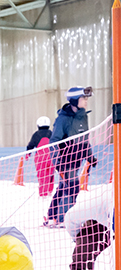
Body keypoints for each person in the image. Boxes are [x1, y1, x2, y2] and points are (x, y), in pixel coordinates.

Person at [45, 86, 96, 227]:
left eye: (86, 99)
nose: (86, 101)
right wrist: (57, 161)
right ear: (74, 100)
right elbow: (54, 141)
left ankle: (52, 216)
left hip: (77, 159)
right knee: (73, 187)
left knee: (64, 187)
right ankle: (63, 219)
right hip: (64, 160)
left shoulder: (83, 116)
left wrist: (90, 157)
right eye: (83, 99)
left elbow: (84, 139)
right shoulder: (62, 119)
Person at [60, 187, 112, 270]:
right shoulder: (94, 204)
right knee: (84, 246)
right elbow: (71, 220)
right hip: (103, 222)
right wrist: (78, 241)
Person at [26, 116, 54, 198]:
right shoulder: (52, 133)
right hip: (51, 156)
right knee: (50, 174)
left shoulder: (36, 134)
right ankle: (49, 191)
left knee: (42, 175)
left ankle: (43, 193)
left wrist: (28, 154)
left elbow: (30, 145)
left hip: (40, 157)